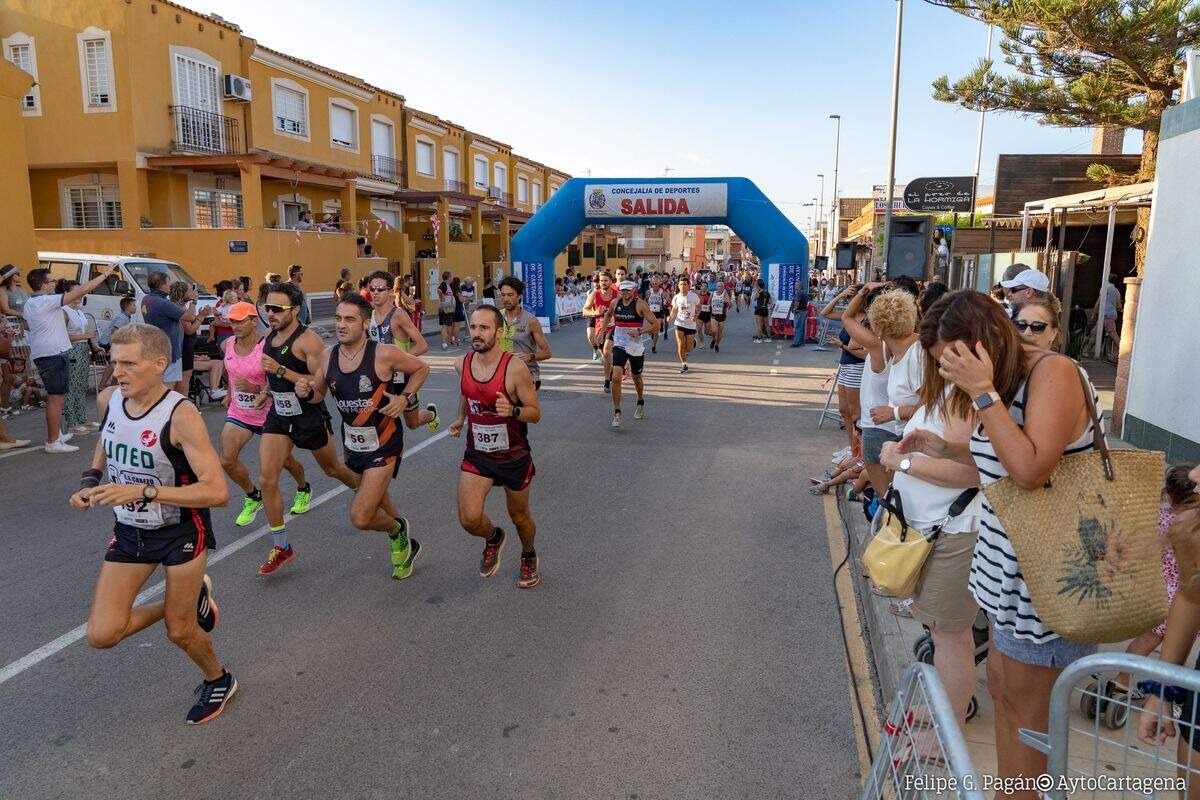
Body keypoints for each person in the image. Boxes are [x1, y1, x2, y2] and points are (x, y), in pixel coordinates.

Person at [898, 289, 1101, 796]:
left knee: (1030, 715)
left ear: (984, 343)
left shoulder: (1052, 373)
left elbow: (1031, 471)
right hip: (1002, 570)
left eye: (955, 360)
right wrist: (945, 445)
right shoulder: (1005, 384)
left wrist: (984, 393)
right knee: (1004, 695)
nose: (950, 374)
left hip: (1046, 577)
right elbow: (1000, 468)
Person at [69, 323, 235, 725]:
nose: (117, 372)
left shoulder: (181, 415)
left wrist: (142, 493)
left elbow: (216, 491)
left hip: (180, 530)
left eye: (129, 363)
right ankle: (190, 598)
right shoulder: (110, 399)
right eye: (113, 362)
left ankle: (218, 678)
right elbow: (107, 440)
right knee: (102, 634)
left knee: (180, 632)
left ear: (159, 365)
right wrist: (91, 482)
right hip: (130, 532)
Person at [877, 295, 982, 730]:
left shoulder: (971, 398)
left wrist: (902, 463)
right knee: (941, 634)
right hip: (933, 528)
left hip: (953, 530)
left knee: (950, 636)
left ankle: (949, 730)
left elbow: (972, 472)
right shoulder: (952, 391)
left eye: (943, 357)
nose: (938, 366)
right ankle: (945, 709)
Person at [255, 282, 370, 575]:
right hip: (279, 415)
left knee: (333, 469)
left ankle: (370, 495)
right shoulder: (271, 335)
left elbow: (322, 383)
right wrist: (267, 391)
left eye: (277, 309)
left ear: (294, 310)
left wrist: (281, 371)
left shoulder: (309, 341)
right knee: (267, 479)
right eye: (268, 308)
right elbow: (274, 375)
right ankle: (282, 546)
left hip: (308, 415)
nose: (271, 313)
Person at [316, 294, 430, 580]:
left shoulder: (383, 353)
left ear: (365, 323)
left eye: (350, 319)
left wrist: (404, 399)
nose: (342, 324)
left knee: (362, 515)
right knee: (380, 503)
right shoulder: (327, 355)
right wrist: (307, 390)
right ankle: (404, 540)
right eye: (339, 318)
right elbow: (318, 393)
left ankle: (397, 531)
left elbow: (421, 368)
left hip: (385, 441)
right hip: (353, 445)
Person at [448, 305, 542, 588]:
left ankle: (528, 554)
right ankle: (493, 537)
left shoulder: (515, 368)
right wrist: (461, 418)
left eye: (484, 328)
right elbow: (468, 392)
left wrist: (512, 411)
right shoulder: (461, 364)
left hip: (513, 455)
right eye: (473, 327)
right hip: (478, 454)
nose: (476, 334)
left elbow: (534, 413)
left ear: (499, 333)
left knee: (520, 516)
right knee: (469, 518)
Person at [218, 302, 312, 527]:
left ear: (253, 321)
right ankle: (253, 496)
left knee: (286, 462)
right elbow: (231, 372)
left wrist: (257, 390)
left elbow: (279, 380)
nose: (236, 325)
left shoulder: (267, 346)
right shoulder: (227, 344)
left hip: (271, 413)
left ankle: (303, 488)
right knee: (227, 460)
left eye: (241, 320)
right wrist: (230, 395)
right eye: (232, 321)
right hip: (240, 412)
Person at [24, 263, 117, 452]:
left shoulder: (31, 303)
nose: (55, 283)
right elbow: (83, 289)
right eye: (52, 281)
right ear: (43, 285)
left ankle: (56, 435)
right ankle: (53, 441)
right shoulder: (45, 301)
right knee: (56, 398)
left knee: (56, 397)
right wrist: (106, 274)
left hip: (47, 352)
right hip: (53, 353)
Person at [364, 271, 439, 432]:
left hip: (403, 378)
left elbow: (422, 345)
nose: (375, 292)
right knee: (378, 419)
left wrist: (399, 361)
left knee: (412, 423)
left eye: (380, 289)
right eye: (372, 289)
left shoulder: (397, 315)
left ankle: (431, 414)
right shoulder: (369, 314)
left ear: (390, 291)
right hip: (381, 378)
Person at [604, 280, 657, 427]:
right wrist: (603, 329)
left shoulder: (640, 304)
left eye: (628, 290)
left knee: (636, 377)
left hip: (635, 346)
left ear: (633, 290)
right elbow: (608, 314)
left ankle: (640, 400)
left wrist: (640, 331)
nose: (625, 293)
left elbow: (655, 325)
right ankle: (617, 412)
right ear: (619, 291)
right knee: (615, 377)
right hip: (620, 344)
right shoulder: (615, 303)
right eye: (623, 290)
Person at [142, 271, 199, 393]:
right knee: (167, 389)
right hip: (169, 352)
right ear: (162, 285)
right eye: (168, 282)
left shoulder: (147, 299)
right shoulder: (163, 303)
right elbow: (190, 317)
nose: (170, 285)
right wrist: (194, 301)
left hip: (156, 348)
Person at [60, 280, 103, 434]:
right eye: (76, 291)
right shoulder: (64, 311)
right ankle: (72, 421)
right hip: (72, 350)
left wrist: (92, 343)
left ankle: (81, 418)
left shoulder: (78, 310)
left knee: (81, 385)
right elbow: (61, 335)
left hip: (83, 349)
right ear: (67, 293)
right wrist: (85, 335)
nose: (80, 294)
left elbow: (85, 333)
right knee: (72, 386)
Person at [498, 275, 551, 391]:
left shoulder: (531, 321)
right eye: (503, 295)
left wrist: (530, 356)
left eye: (510, 295)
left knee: (518, 409)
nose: (506, 299)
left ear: (519, 296)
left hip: (527, 374)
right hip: (501, 373)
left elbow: (547, 353)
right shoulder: (496, 317)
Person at [583, 272, 619, 391]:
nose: (603, 283)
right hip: (599, 328)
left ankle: (606, 382)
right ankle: (610, 373)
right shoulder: (594, 295)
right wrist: (596, 312)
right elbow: (584, 311)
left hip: (614, 327)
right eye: (601, 281)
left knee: (607, 352)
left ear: (611, 282)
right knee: (605, 356)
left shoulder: (617, 295)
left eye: (606, 280)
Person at [667, 275, 700, 374]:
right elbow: (674, 309)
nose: (683, 286)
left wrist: (696, 316)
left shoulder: (693, 296)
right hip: (679, 323)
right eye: (681, 284)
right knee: (680, 344)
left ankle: (693, 341)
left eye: (685, 284)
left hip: (691, 324)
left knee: (689, 348)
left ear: (689, 286)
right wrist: (670, 317)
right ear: (678, 286)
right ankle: (684, 364)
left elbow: (699, 307)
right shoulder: (676, 297)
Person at [646, 275, 669, 354]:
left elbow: (668, 300)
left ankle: (653, 346)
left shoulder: (662, 292)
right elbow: (644, 302)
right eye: (653, 283)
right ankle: (652, 333)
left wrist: (666, 301)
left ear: (659, 284)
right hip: (650, 313)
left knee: (656, 330)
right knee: (651, 330)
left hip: (659, 313)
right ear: (651, 284)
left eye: (656, 283)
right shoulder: (649, 292)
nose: (655, 285)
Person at [709, 279, 730, 352]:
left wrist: (726, 302)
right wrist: (709, 307)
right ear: (716, 287)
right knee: (714, 331)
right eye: (718, 286)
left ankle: (717, 344)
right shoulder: (713, 293)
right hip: (714, 315)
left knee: (720, 333)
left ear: (723, 287)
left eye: (721, 286)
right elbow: (709, 301)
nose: (720, 287)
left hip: (722, 315)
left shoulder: (725, 293)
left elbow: (728, 302)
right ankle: (714, 339)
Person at [436, 271, 456, 350]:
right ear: (449, 277)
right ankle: (444, 342)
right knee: (445, 325)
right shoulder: (444, 284)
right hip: (445, 308)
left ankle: (447, 341)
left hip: (449, 308)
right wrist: (442, 298)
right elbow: (439, 290)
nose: (452, 278)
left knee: (448, 325)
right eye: (451, 276)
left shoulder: (448, 285)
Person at [789, 280, 810, 348]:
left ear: (799, 286)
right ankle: (801, 342)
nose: (794, 286)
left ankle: (796, 342)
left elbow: (797, 302)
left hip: (799, 311)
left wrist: (794, 309)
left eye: (795, 285)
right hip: (803, 311)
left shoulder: (799, 293)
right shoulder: (804, 292)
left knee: (797, 327)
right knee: (801, 327)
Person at [694, 280, 711, 350]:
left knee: (707, 332)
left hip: (707, 315)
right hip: (700, 314)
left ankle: (713, 335)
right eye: (702, 286)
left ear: (707, 288)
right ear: (700, 287)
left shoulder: (710, 295)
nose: (704, 287)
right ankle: (702, 342)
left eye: (705, 286)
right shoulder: (697, 295)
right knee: (699, 329)